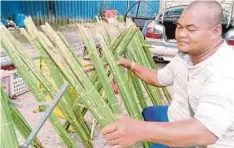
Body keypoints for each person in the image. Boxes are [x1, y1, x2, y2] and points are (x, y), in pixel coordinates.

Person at [101, 1, 234, 148]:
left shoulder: (225, 70)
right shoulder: (185, 56)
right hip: (176, 118)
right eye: (179, 27)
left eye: (191, 29)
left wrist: (140, 130)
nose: (181, 34)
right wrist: (130, 65)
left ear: (216, 31)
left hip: (200, 141)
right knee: (148, 112)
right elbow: (158, 78)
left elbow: (205, 132)